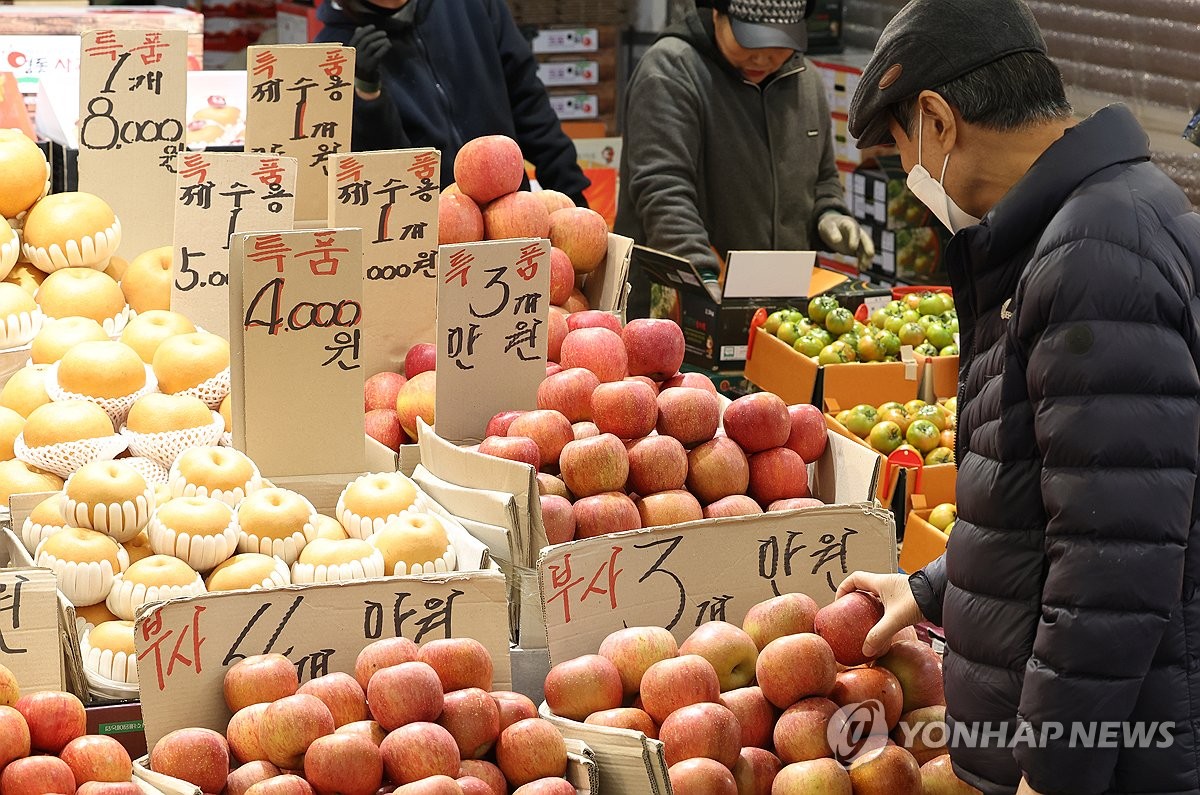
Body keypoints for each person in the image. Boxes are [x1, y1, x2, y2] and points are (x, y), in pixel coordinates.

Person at [839, 1, 1200, 794]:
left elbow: (1116, 559)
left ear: (937, 120)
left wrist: (1054, 769)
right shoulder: (1073, 230)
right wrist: (936, 586)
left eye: (900, 148)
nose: (908, 177)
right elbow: (1052, 486)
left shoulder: (1098, 253)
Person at [615, 0, 874, 278]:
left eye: (779, 44)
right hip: (681, 299)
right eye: (749, 41)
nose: (762, 58)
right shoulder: (671, 70)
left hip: (783, 297)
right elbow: (664, 191)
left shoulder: (804, 80)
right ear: (717, 14)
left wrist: (830, 213)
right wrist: (702, 278)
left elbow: (821, 178)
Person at [314, 0, 591, 205]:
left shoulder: (472, 6)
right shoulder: (332, 55)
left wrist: (573, 198)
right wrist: (367, 96)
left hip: (513, 219)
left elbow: (528, 101)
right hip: (425, 243)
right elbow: (376, 179)